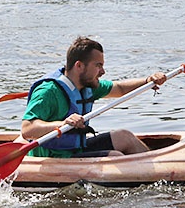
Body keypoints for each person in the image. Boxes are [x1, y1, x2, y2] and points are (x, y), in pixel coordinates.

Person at [21, 37, 167, 158]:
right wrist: (62, 124)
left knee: (125, 136)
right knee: (113, 157)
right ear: (79, 66)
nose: (103, 71)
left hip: (77, 149)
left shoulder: (88, 85)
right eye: (98, 65)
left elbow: (120, 88)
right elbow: (27, 129)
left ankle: (160, 172)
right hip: (53, 156)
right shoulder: (48, 91)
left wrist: (148, 80)